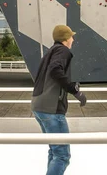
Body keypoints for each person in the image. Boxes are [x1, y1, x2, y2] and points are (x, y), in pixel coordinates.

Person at [31, 25, 87, 175]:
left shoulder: (49, 52)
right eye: (71, 36)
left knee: (54, 151)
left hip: (39, 107)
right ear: (65, 39)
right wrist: (73, 89)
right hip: (51, 109)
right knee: (62, 155)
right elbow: (56, 69)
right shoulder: (63, 51)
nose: (73, 39)